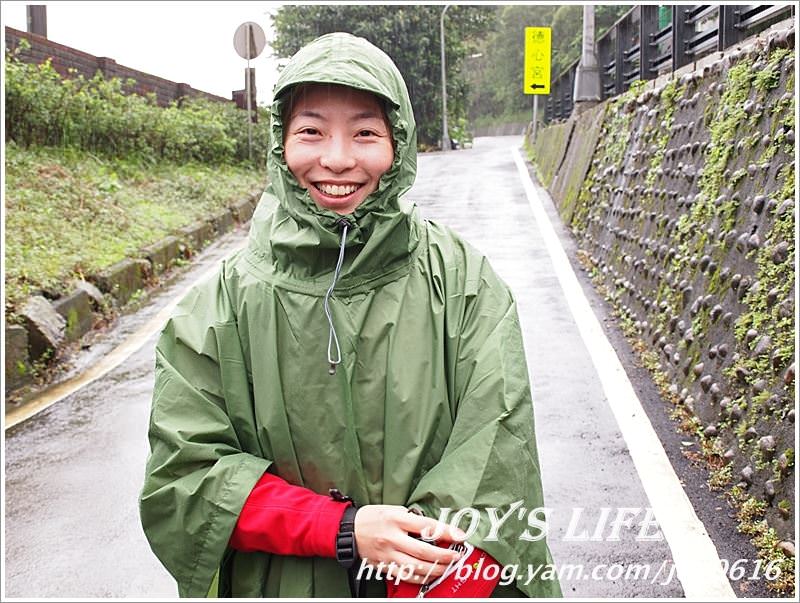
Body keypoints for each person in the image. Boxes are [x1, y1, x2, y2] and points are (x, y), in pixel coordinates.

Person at [139, 32, 561, 598]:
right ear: (280, 145)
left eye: (365, 133)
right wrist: (339, 529)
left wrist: (421, 582)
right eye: (311, 131)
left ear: (399, 143)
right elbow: (185, 481)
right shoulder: (216, 309)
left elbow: (496, 460)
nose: (337, 159)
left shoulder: (461, 282)